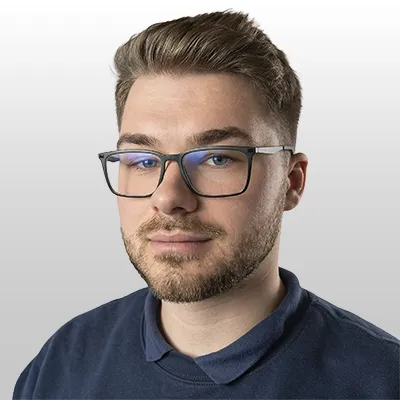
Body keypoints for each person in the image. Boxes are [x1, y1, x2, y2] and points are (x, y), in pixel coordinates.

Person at [13, 9, 399, 399]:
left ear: (291, 182)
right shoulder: (62, 364)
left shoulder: (382, 381)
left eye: (216, 158)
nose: (168, 198)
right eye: (144, 161)